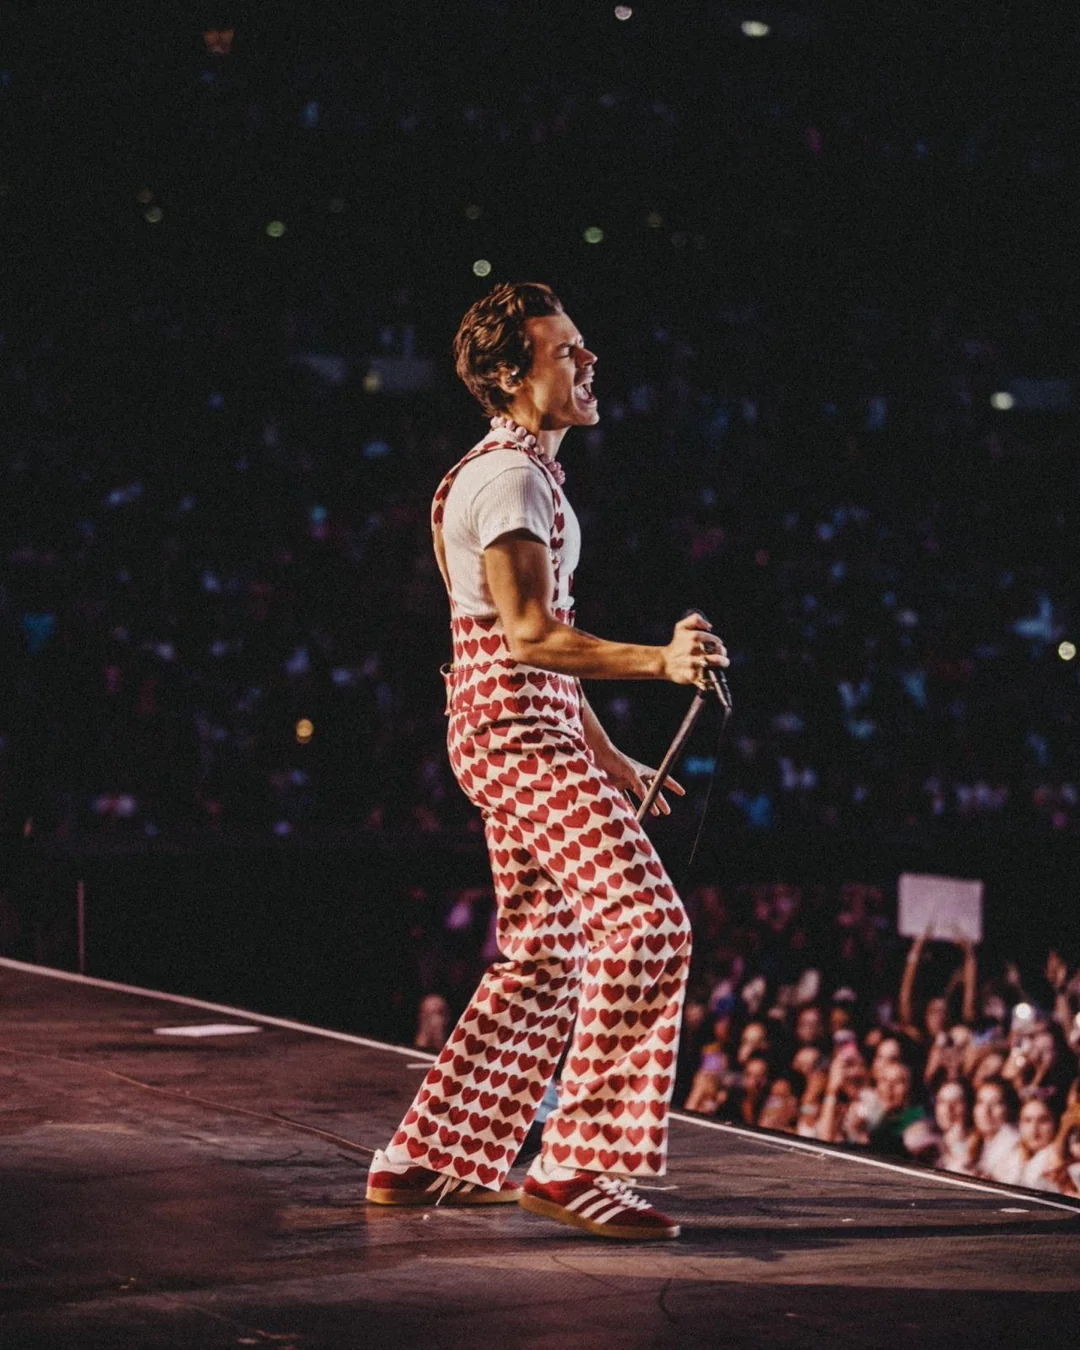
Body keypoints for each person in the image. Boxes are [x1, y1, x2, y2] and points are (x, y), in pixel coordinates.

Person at [365, 281, 729, 1239]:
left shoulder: (509, 474)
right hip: (517, 734)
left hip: (521, 730)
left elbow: (528, 644)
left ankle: (424, 1158)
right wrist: (660, 660)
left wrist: (607, 755)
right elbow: (527, 635)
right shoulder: (510, 481)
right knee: (648, 926)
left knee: (544, 954)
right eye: (566, 352)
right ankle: (575, 1165)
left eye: (583, 346)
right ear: (508, 376)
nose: (588, 361)